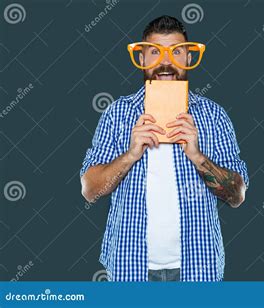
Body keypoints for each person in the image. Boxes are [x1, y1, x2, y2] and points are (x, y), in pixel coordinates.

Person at [80, 15, 249, 281]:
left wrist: (196, 155)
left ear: (189, 58)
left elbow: (237, 195)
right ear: (143, 59)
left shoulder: (214, 115)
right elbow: (90, 191)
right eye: (155, 53)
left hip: (198, 266)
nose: (166, 62)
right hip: (129, 266)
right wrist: (131, 154)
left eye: (177, 52)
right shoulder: (117, 114)